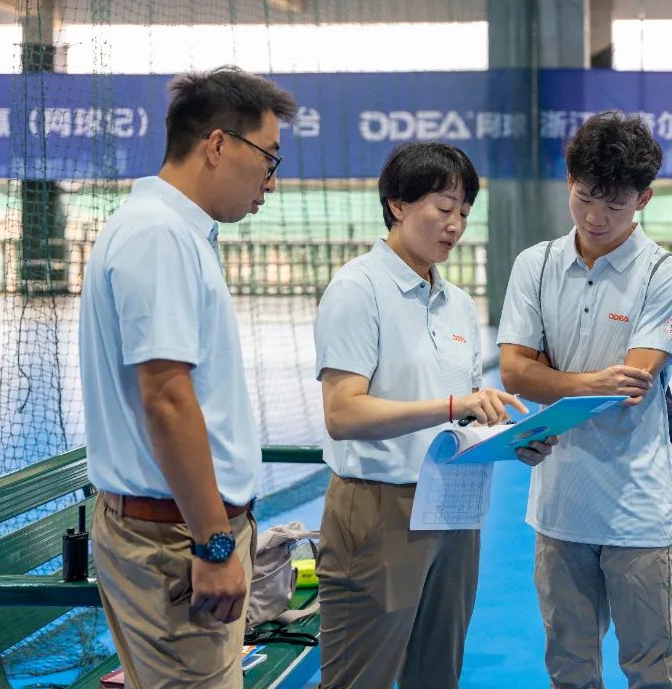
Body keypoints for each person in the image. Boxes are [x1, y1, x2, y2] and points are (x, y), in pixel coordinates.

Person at [79, 66, 297, 687]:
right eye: (268, 158)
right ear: (218, 144)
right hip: (177, 541)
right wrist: (214, 544)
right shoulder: (159, 236)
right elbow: (167, 400)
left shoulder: (170, 231)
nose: (271, 181)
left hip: (176, 534)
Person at [313, 141, 555, 689]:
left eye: (464, 213)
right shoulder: (357, 289)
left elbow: (464, 416)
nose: (455, 225)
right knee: (360, 677)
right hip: (379, 508)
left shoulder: (458, 304)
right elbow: (342, 413)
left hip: (453, 504)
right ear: (397, 204)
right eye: (444, 208)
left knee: (437, 674)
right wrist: (453, 405)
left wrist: (509, 438)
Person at [498, 111, 672, 688]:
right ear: (569, 181)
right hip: (559, 506)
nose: (594, 217)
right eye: (584, 197)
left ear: (644, 199)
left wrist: (549, 375)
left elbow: (631, 385)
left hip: (639, 510)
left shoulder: (666, 275)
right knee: (569, 668)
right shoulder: (535, 265)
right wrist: (584, 383)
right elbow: (513, 371)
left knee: (651, 670)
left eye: (615, 204)